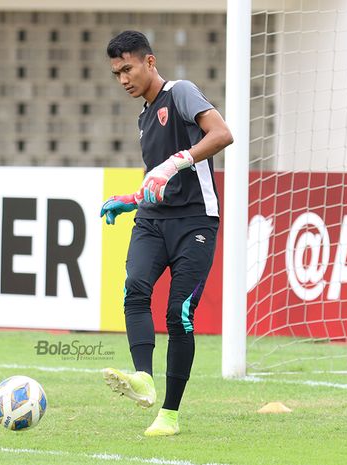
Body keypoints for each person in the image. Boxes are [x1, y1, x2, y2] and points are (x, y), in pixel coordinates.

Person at [100, 30, 233, 437]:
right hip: (153, 220)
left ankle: (170, 414)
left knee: (179, 314)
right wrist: (133, 198)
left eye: (128, 68)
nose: (123, 78)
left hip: (195, 221)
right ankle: (143, 378)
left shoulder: (181, 92)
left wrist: (179, 161)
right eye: (116, 73)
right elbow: (156, 179)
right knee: (134, 289)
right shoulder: (144, 116)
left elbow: (222, 134)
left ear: (150, 62)